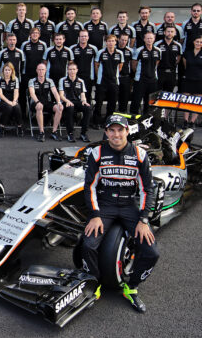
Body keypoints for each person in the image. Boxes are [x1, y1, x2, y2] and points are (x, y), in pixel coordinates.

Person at [82, 114, 158, 313]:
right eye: (112, 130)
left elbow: (147, 189)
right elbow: (89, 186)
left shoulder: (140, 154)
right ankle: (94, 283)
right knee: (88, 244)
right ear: (106, 132)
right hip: (105, 204)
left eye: (120, 130)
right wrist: (95, 214)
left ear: (127, 131)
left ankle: (130, 287)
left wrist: (143, 219)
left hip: (128, 205)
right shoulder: (96, 153)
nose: (116, 134)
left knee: (151, 252)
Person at [28, 63, 62, 142]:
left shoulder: (50, 81)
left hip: (47, 102)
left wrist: (59, 102)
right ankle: (41, 132)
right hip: (35, 103)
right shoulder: (32, 81)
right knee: (40, 107)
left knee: (59, 108)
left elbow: (55, 92)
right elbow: (32, 93)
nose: (41, 71)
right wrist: (37, 102)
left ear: (46, 70)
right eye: (39, 70)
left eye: (42, 69)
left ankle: (54, 132)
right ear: (36, 71)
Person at [59, 62, 92, 142]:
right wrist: (67, 101)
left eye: (74, 69)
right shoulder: (62, 80)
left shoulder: (81, 81)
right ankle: (70, 133)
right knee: (70, 108)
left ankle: (83, 133)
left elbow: (83, 95)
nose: (72, 71)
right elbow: (61, 95)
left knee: (88, 108)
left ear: (77, 70)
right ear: (67, 70)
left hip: (77, 101)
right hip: (66, 101)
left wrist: (84, 101)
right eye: (70, 69)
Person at [95, 34, 124, 124]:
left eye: (112, 41)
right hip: (102, 82)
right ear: (106, 42)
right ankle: (97, 122)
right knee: (99, 102)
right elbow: (96, 65)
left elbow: (120, 67)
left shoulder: (120, 53)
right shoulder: (101, 52)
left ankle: (109, 121)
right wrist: (99, 77)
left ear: (116, 42)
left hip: (114, 82)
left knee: (112, 103)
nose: (111, 43)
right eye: (109, 41)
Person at [131, 32, 161, 114]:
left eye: (151, 38)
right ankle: (133, 121)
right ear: (144, 39)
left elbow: (157, 63)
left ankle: (147, 120)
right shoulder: (139, 50)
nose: (149, 40)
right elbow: (134, 65)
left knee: (150, 102)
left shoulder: (158, 51)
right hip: (140, 80)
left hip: (153, 80)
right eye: (147, 38)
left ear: (154, 39)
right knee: (136, 101)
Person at [71, 30, 98, 118]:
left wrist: (95, 77)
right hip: (75, 77)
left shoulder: (93, 49)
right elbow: (70, 63)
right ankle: (74, 117)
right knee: (73, 96)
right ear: (79, 37)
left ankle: (87, 119)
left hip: (88, 77)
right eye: (82, 36)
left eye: (85, 36)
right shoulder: (73, 48)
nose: (83, 38)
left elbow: (96, 64)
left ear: (88, 37)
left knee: (87, 97)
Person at [21, 28, 48, 113]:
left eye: (36, 33)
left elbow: (45, 60)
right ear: (30, 34)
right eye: (33, 33)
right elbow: (22, 58)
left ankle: (37, 115)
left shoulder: (43, 44)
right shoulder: (25, 44)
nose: (35, 34)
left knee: (39, 95)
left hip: (38, 75)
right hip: (26, 74)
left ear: (39, 35)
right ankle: (23, 115)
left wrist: (43, 72)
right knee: (24, 95)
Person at [0, 62, 22, 136]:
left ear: (12, 71)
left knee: (17, 107)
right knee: (8, 107)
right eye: (6, 70)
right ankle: (2, 127)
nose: (7, 72)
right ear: (3, 71)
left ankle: (20, 127)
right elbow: (0, 94)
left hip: (12, 101)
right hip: (1, 102)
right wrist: (9, 102)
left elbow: (16, 92)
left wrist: (14, 101)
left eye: (9, 70)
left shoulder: (15, 79)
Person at [181, 35, 202, 128]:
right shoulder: (187, 53)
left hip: (200, 80)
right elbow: (185, 65)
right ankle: (185, 121)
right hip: (188, 79)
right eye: (197, 41)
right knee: (186, 100)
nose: (199, 43)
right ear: (193, 42)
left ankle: (192, 122)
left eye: (201, 42)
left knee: (197, 102)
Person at [155, 25, 182, 93]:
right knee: (156, 93)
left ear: (175, 33)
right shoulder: (157, 44)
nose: (170, 33)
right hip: (160, 72)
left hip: (171, 73)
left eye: (172, 32)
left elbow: (179, 57)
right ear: (164, 32)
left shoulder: (178, 45)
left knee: (168, 94)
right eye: (168, 31)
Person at [117, 33, 134, 113]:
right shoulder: (113, 49)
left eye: (126, 40)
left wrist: (131, 79)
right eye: (122, 40)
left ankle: (123, 115)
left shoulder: (130, 51)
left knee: (124, 99)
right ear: (118, 39)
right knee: (113, 98)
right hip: (115, 78)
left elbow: (132, 65)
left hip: (126, 77)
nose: (124, 42)